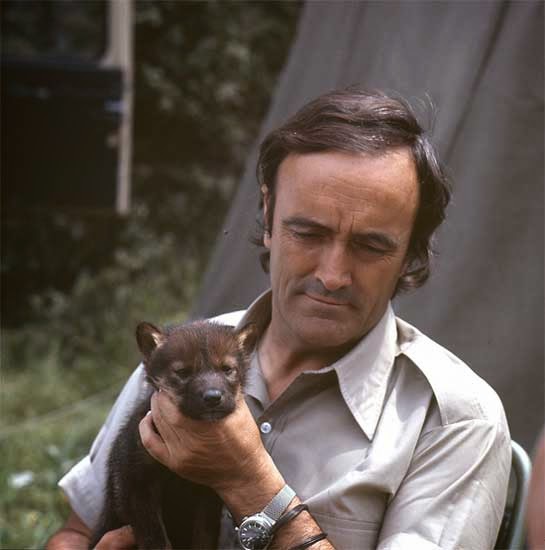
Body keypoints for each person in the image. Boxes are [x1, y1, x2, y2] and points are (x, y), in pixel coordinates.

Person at [47, 89, 511, 550]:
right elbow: (76, 532)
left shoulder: (454, 421)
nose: (332, 276)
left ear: (411, 251)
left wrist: (249, 484)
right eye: (308, 233)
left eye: (371, 246)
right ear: (269, 214)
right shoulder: (181, 355)